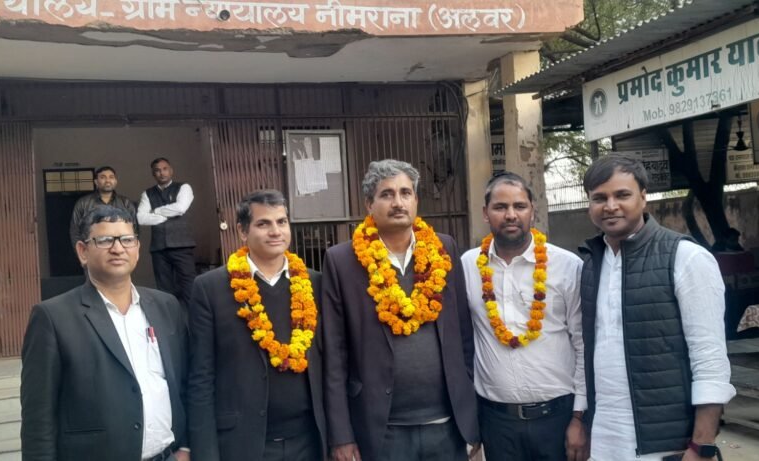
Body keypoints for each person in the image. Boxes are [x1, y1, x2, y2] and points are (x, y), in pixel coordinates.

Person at [578, 154, 734, 461]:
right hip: (605, 440)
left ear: (644, 197)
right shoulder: (591, 264)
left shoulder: (685, 257)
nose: (610, 206)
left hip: (666, 445)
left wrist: (701, 446)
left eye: (622, 195)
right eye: (599, 198)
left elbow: (710, 358)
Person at [321, 159, 479, 461]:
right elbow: (334, 354)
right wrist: (341, 435)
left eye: (406, 193)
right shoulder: (342, 261)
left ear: (416, 200)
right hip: (381, 430)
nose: (398, 202)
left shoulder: (443, 248)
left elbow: (463, 335)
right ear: (369, 204)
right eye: (387, 194)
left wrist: (469, 419)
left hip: (447, 426)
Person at [20, 206, 189, 461]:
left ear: (137, 248)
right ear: (83, 251)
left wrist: (185, 447)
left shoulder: (166, 306)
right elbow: (38, 418)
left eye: (127, 239)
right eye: (105, 240)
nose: (118, 248)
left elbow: (184, 382)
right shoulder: (53, 317)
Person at [187, 190, 326, 461]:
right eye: (263, 224)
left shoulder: (315, 283)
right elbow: (201, 377)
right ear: (242, 231)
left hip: (309, 441)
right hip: (244, 444)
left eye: (282, 222)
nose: (276, 231)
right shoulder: (210, 288)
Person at [460, 172, 588, 461]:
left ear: (533, 211)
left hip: (558, 419)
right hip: (496, 423)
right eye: (500, 207)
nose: (510, 215)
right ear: (485, 213)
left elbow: (582, 343)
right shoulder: (468, 266)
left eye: (519, 206)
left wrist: (579, 417)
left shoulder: (567, 266)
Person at [138, 157, 196, 307]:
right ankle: (170, 318)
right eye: (157, 170)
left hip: (182, 245)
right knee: (164, 289)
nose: (162, 173)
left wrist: (155, 211)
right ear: (153, 174)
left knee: (189, 285)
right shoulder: (147, 194)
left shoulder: (184, 187)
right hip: (159, 248)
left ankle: (192, 317)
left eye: (165, 169)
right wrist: (167, 216)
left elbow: (180, 208)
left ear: (171, 171)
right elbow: (141, 218)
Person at [69, 166, 138, 245]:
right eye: (103, 177)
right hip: (92, 248)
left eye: (111, 177)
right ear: (96, 182)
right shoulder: (83, 203)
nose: (108, 180)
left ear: (115, 181)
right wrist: (82, 250)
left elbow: (134, 229)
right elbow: (75, 231)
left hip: (119, 247)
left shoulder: (126, 203)